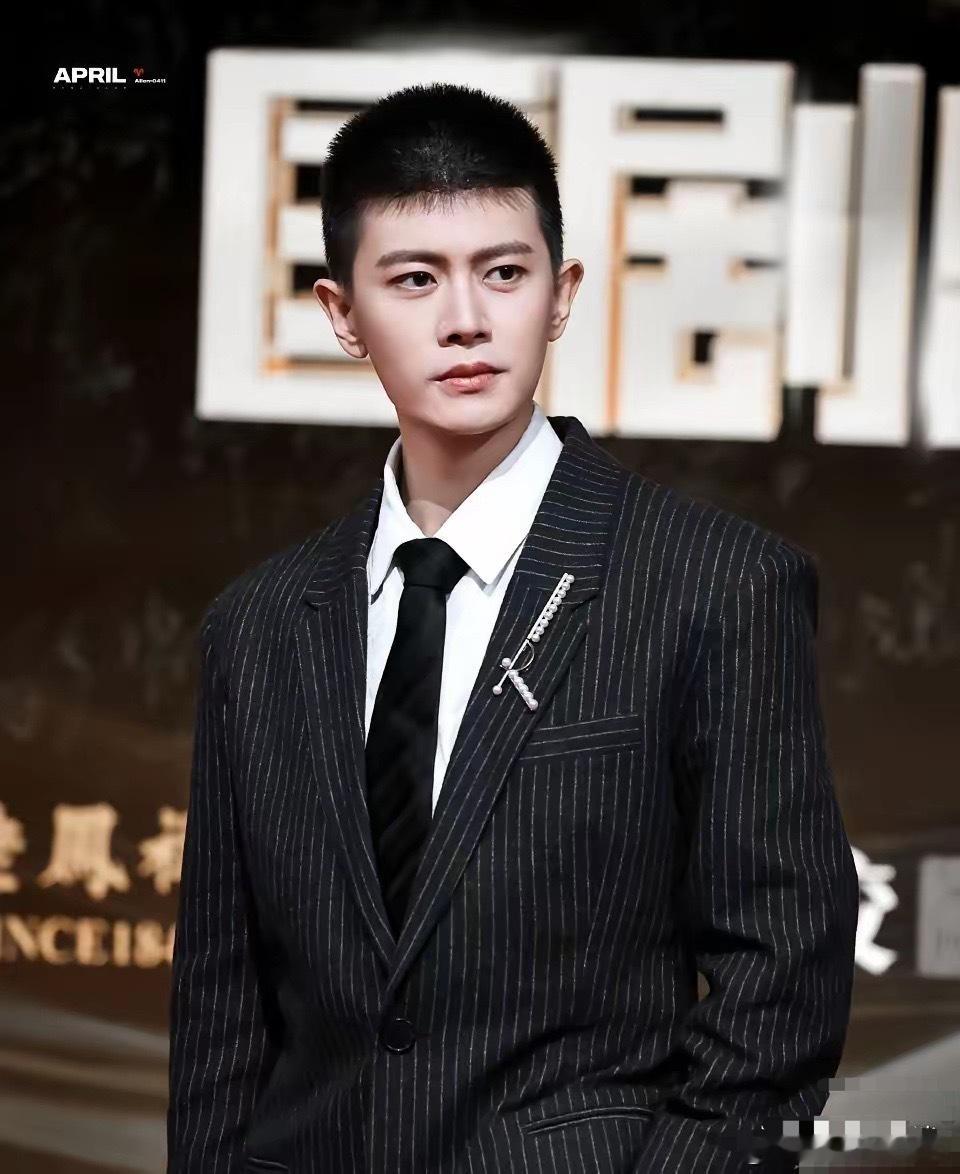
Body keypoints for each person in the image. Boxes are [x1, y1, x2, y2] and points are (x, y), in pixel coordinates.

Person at [167, 82, 859, 1173]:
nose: (466, 320)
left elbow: (782, 981)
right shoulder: (256, 627)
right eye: (414, 279)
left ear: (562, 291)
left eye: (503, 272)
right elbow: (221, 1008)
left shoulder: (717, 585)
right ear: (342, 313)